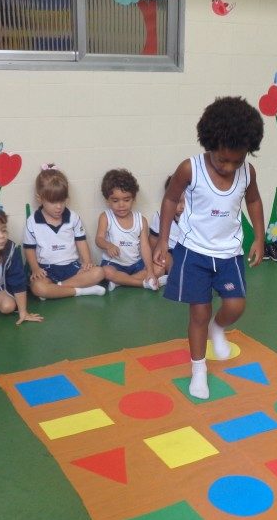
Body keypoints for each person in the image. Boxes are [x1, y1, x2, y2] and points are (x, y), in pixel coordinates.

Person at [154, 96, 266, 399]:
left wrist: (259, 236)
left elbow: (253, 201)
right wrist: (164, 240)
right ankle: (199, 368)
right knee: (199, 312)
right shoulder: (189, 169)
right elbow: (168, 200)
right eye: (222, 160)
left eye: (236, 160)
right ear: (209, 145)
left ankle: (219, 328)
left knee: (235, 305)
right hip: (194, 251)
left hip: (229, 253)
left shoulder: (247, 173)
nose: (229, 167)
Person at [23, 166, 107, 300]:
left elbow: (81, 241)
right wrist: (35, 269)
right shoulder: (32, 221)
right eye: (53, 202)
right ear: (39, 198)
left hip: (72, 268)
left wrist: (87, 261)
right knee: (37, 287)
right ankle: (81, 291)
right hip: (46, 270)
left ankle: (55, 290)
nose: (59, 207)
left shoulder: (73, 217)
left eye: (62, 201)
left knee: (99, 272)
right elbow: (29, 249)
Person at [95, 168, 166, 291]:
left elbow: (145, 247)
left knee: (160, 269)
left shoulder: (140, 220)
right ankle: (142, 283)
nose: (121, 205)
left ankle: (121, 282)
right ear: (108, 200)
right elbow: (99, 239)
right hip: (114, 265)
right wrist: (108, 245)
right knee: (106, 272)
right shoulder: (106, 217)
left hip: (136, 264)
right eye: (115, 200)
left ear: (134, 199)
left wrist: (149, 271)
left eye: (126, 200)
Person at [148, 176, 185, 273]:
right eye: (178, 202)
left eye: (187, 202)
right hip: (169, 251)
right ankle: (174, 275)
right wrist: (153, 258)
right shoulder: (160, 216)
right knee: (166, 258)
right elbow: (153, 240)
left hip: (187, 252)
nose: (183, 207)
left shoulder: (194, 217)